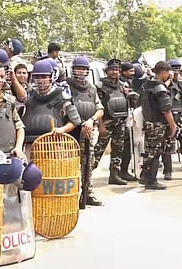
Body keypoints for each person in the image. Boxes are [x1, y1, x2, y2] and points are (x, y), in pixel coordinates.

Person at [66, 56, 104, 206]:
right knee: (70, 164)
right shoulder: (66, 86)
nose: (80, 72)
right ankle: (70, 193)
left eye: (83, 69)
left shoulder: (91, 88)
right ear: (73, 70)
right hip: (71, 130)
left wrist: (92, 120)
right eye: (78, 69)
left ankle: (87, 193)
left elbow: (100, 108)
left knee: (88, 163)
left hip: (88, 131)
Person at [22, 60, 81, 152]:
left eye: (44, 77)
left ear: (51, 77)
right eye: (37, 77)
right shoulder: (29, 99)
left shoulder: (63, 97)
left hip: (54, 146)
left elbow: (75, 121)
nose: (40, 80)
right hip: (30, 146)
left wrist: (62, 129)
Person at [140, 61, 177, 190]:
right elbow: (166, 110)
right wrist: (173, 126)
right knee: (156, 152)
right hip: (158, 124)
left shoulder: (147, 85)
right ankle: (151, 180)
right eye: (168, 73)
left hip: (148, 122)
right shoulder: (160, 88)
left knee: (149, 151)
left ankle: (145, 176)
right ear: (164, 72)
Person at [93, 59, 130, 185]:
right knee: (98, 150)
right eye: (112, 70)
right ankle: (86, 174)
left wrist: (129, 95)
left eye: (117, 70)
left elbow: (129, 103)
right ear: (107, 71)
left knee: (118, 150)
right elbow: (97, 107)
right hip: (106, 122)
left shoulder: (123, 85)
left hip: (120, 122)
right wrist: (101, 126)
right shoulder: (99, 86)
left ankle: (114, 175)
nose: (115, 72)